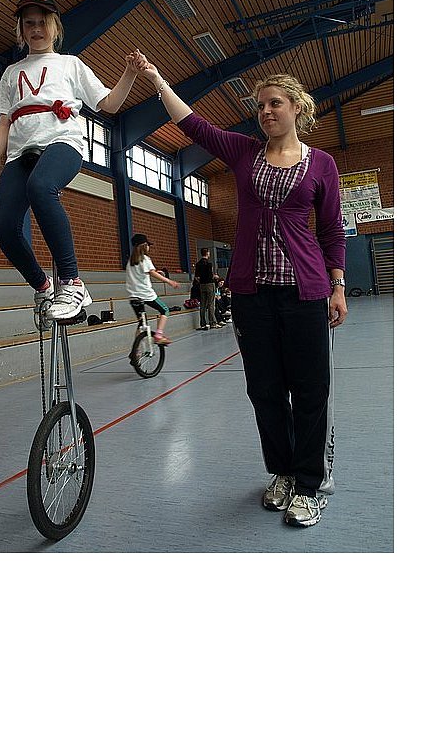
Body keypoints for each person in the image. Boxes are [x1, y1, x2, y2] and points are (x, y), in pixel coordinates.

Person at [140, 60, 347, 528]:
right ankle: (281, 472)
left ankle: (309, 484)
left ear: (297, 108)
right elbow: (193, 123)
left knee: (311, 390)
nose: (266, 111)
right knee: (265, 390)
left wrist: (337, 285)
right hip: (253, 295)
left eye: (275, 103)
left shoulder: (322, 164)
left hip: (306, 291)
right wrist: (157, 80)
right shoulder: (242, 152)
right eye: (260, 105)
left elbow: (332, 229)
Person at [0, 0, 146, 326]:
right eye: (29, 24)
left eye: (42, 22)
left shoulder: (70, 64)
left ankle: (72, 282)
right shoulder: (12, 73)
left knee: (41, 187)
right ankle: (43, 285)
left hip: (62, 143)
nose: (36, 29)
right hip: (19, 152)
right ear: (21, 30)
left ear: (54, 27)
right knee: (1, 224)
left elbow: (109, 104)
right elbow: (4, 123)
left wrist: (130, 73)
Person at [125, 233, 180, 348]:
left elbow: (144, 272)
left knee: (141, 324)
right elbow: (151, 273)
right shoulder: (145, 259)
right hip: (147, 295)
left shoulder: (130, 262)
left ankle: (136, 351)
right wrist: (169, 281)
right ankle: (159, 335)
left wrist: (155, 271)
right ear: (144, 246)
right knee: (164, 310)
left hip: (134, 297)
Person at [194, 247, 219, 330]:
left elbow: (197, 277)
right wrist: (215, 276)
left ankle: (203, 323)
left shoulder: (198, 264)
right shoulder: (209, 264)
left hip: (202, 285)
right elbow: (211, 275)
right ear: (207, 253)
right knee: (211, 304)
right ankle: (212, 323)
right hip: (209, 284)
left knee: (203, 304)